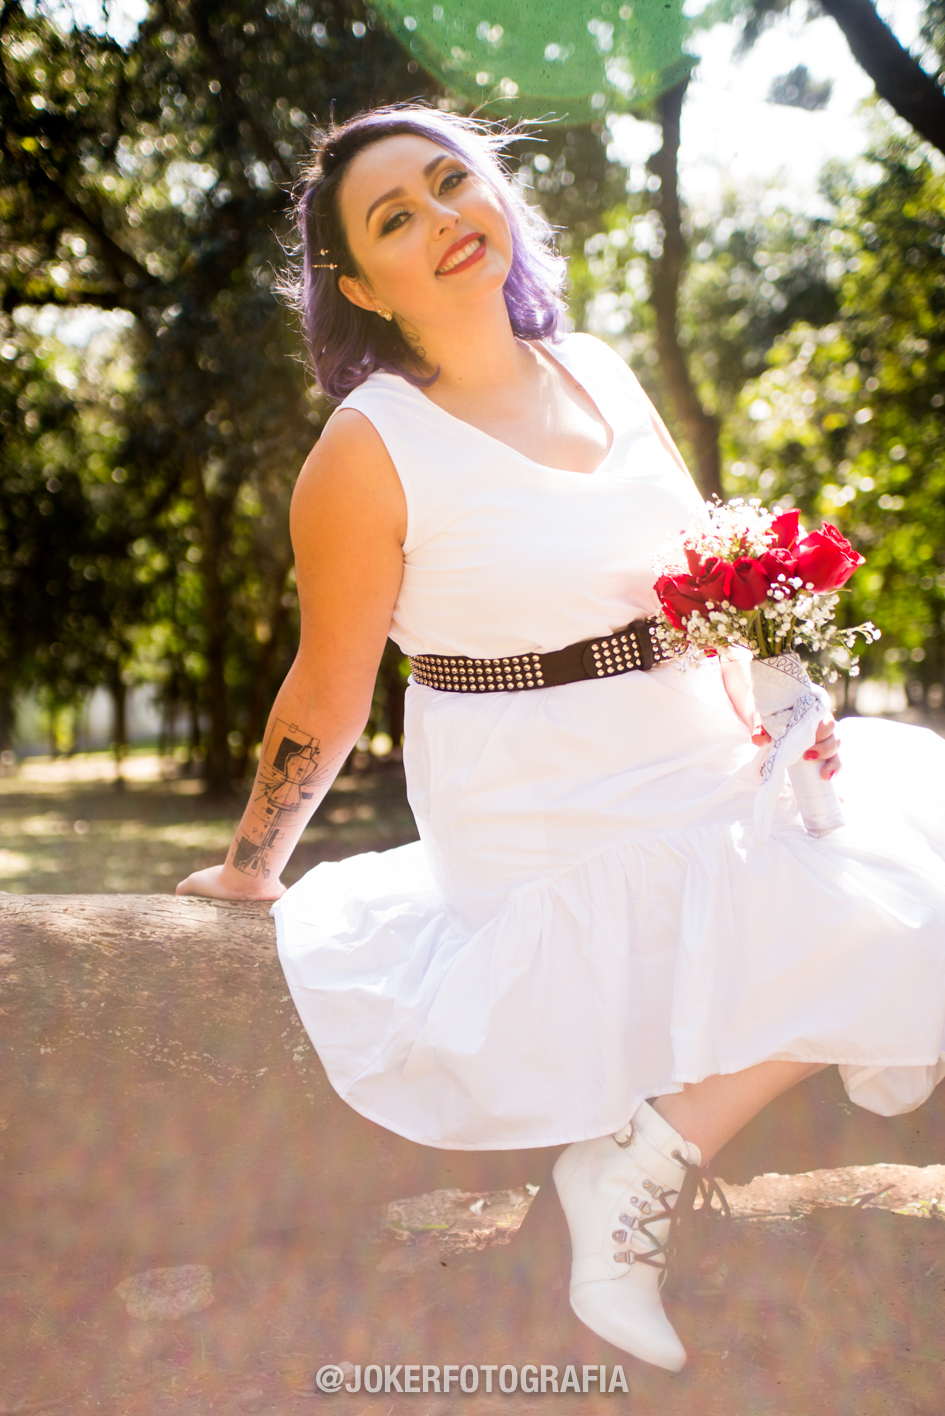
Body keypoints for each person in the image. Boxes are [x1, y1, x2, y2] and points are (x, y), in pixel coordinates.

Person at [177, 104, 945, 1372]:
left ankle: (641, 1156)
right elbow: (329, 684)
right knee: (881, 916)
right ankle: (629, 1179)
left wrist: (774, 707)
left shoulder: (597, 364)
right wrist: (256, 863)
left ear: (497, 195)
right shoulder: (367, 450)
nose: (440, 221)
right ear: (363, 286)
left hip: (694, 746)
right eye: (394, 220)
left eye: (449, 183)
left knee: (908, 865)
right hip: (545, 801)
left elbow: (698, 574)